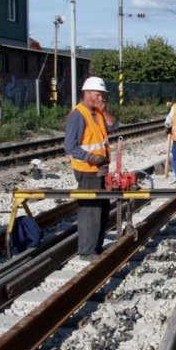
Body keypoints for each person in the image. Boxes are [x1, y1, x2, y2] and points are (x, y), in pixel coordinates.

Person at [63, 77, 118, 259]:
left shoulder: (98, 113)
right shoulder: (78, 115)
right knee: (90, 211)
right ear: (86, 94)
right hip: (87, 170)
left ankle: (96, 247)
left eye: (102, 95)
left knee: (102, 210)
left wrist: (105, 111)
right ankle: (87, 251)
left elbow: (114, 126)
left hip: (100, 170)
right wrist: (90, 157)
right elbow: (69, 146)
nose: (101, 98)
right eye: (97, 95)